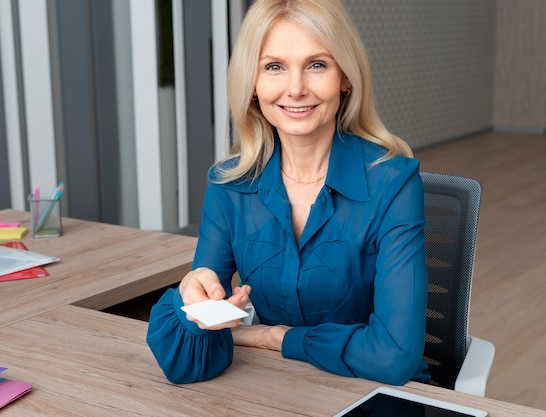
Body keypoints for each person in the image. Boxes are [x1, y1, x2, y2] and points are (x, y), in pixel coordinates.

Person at [147, 0, 429, 386]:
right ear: (253, 83)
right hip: (278, 388)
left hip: (374, 393)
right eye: (274, 67)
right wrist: (190, 300)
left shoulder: (393, 182)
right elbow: (188, 366)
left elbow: (393, 358)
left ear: (345, 77)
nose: (295, 89)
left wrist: (275, 337)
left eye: (317, 65)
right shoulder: (230, 185)